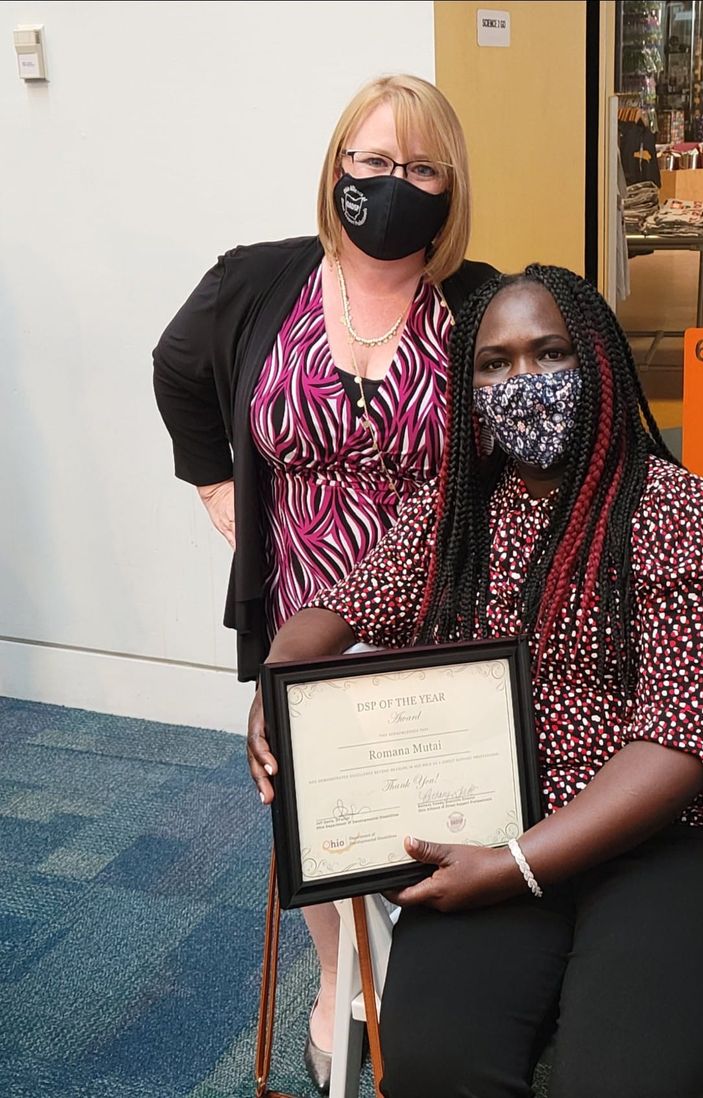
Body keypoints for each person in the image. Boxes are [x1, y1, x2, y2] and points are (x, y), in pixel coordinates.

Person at [247, 265, 703, 1098]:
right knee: (430, 1063)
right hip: (494, 814)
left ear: (595, 362)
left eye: (549, 353)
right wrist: (277, 685)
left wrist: (516, 866)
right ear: (468, 385)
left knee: (620, 1081)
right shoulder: (457, 511)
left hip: (674, 840)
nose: (521, 382)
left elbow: (680, 741)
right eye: (493, 364)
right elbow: (335, 611)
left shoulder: (675, 512)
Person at [152, 74, 495, 1093]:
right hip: (301, 612)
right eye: (373, 162)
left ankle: (437, 987)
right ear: (337, 166)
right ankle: (338, 980)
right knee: (311, 808)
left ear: (451, 184)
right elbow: (175, 368)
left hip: (434, 619)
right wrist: (213, 480)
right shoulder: (259, 282)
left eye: (422, 167)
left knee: (433, 811)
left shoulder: (476, 305)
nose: (395, 183)